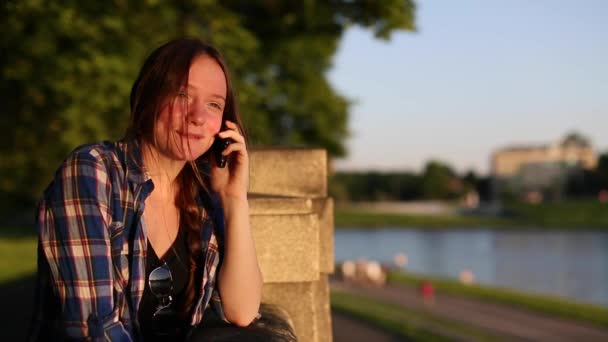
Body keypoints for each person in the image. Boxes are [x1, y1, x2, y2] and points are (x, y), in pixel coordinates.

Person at [28, 38, 265, 341]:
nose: (198, 116)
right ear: (148, 97)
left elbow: (241, 310)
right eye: (182, 95)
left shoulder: (203, 197)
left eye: (214, 104)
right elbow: (94, 329)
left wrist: (234, 201)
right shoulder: (93, 172)